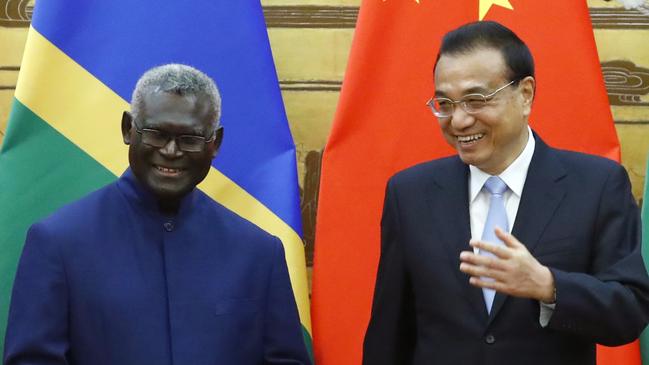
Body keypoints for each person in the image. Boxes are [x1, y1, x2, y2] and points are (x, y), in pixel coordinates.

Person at [362, 21, 649, 365]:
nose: (458, 121)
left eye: (475, 100)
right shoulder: (409, 193)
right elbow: (389, 332)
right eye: (444, 103)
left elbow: (629, 310)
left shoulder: (597, 185)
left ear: (525, 94)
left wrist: (549, 286)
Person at [4, 64, 311, 365]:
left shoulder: (259, 252)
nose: (171, 151)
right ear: (128, 129)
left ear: (214, 143)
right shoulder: (58, 243)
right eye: (156, 134)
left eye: (189, 139)